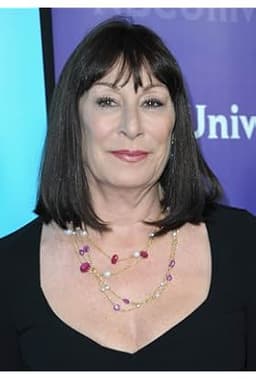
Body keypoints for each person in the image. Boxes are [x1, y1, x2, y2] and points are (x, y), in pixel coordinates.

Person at [0, 16, 255, 371]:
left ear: (175, 123)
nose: (132, 126)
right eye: (107, 101)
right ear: (73, 120)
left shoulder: (244, 243)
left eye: (151, 102)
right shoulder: (8, 269)